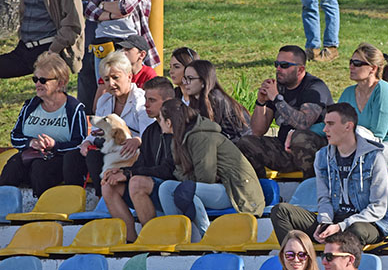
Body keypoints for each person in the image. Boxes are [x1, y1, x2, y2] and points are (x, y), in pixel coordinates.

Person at [270, 103, 388, 247]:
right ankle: (296, 258)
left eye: (330, 124)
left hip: (367, 222)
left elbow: (378, 207)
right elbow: (324, 199)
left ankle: (343, 264)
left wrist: (341, 226)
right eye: (325, 124)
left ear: (348, 126)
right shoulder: (322, 156)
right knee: (280, 211)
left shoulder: (374, 157)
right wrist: (325, 222)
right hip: (334, 221)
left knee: (356, 230)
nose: (325, 130)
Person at [157, 100, 265, 240]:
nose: (158, 123)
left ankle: (208, 237)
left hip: (236, 191)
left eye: (160, 119)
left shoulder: (201, 136)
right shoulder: (176, 141)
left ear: (168, 122)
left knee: (186, 191)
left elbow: (206, 178)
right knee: (166, 188)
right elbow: (181, 174)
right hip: (211, 188)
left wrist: (187, 180)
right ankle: (176, 237)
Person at [235, 45, 333, 179]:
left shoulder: (315, 87)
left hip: (314, 150)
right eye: (277, 64)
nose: (278, 69)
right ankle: (263, 190)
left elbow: (303, 123)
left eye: (284, 65)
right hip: (285, 149)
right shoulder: (278, 88)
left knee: (299, 138)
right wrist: (261, 102)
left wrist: (276, 99)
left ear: (300, 70)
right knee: (246, 143)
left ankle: (310, 189)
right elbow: (258, 131)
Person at [64, 50, 154, 195]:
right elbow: (94, 132)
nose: (111, 83)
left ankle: (104, 200)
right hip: (109, 149)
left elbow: (149, 135)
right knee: (72, 157)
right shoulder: (104, 101)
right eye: (106, 79)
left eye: (115, 78)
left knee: (95, 157)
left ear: (129, 76)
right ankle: (72, 200)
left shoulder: (140, 100)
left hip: (132, 153)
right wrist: (86, 143)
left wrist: (137, 140)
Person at [0, 52, 87, 196]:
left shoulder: (73, 108)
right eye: (35, 79)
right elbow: (15, 137)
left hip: (58, 160)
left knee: (40, 169)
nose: (37, 84)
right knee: (13, 166)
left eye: (43, 80)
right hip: (30, 156)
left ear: (61, 82)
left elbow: (80, 143)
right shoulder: (30, 105)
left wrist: (55, 145)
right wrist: (31, 142)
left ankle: (43, 212)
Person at [101, 77, 176, 242]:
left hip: (173, 187)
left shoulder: (179, 128)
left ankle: (152, 240)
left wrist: (128, 174)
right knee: (109, 186)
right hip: (153, 184)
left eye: (152, 100)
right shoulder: (150, 131)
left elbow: (169, 170)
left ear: (167, 102)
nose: (146, 105)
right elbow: (142, 164)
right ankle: (131, 241)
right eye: (145, 100)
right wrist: (120, 172)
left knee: (136, 182)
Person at [338, 43, 388, 166]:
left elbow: (377, 135)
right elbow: (335, 124)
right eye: (350, 62)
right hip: (362, 147)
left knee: (358, 153)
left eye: (357, 63)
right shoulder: (348, 93)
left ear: (373, 69)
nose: (351, 67)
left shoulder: (383, 89)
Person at [78, 0, 117, 110]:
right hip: (92, 37)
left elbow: (122, 8)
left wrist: (93, 6)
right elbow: (81, 6)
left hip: (114, 39)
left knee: (110, 80)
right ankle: (86, 119)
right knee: (86, 72)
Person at [180, 60, 251, 142]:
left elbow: (210, 132)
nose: (185, 83)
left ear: (203, 81)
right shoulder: (196, 98)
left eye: (190, 78)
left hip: (240, 145)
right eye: (185, 78)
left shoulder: (215, 98)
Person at [92, 35, 158, 111]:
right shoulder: (111, 71)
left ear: (142, 54)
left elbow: (152, 104)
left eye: (128, 49)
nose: (123, 52)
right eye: (122, 49)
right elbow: (96, 108)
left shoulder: (149, 74)